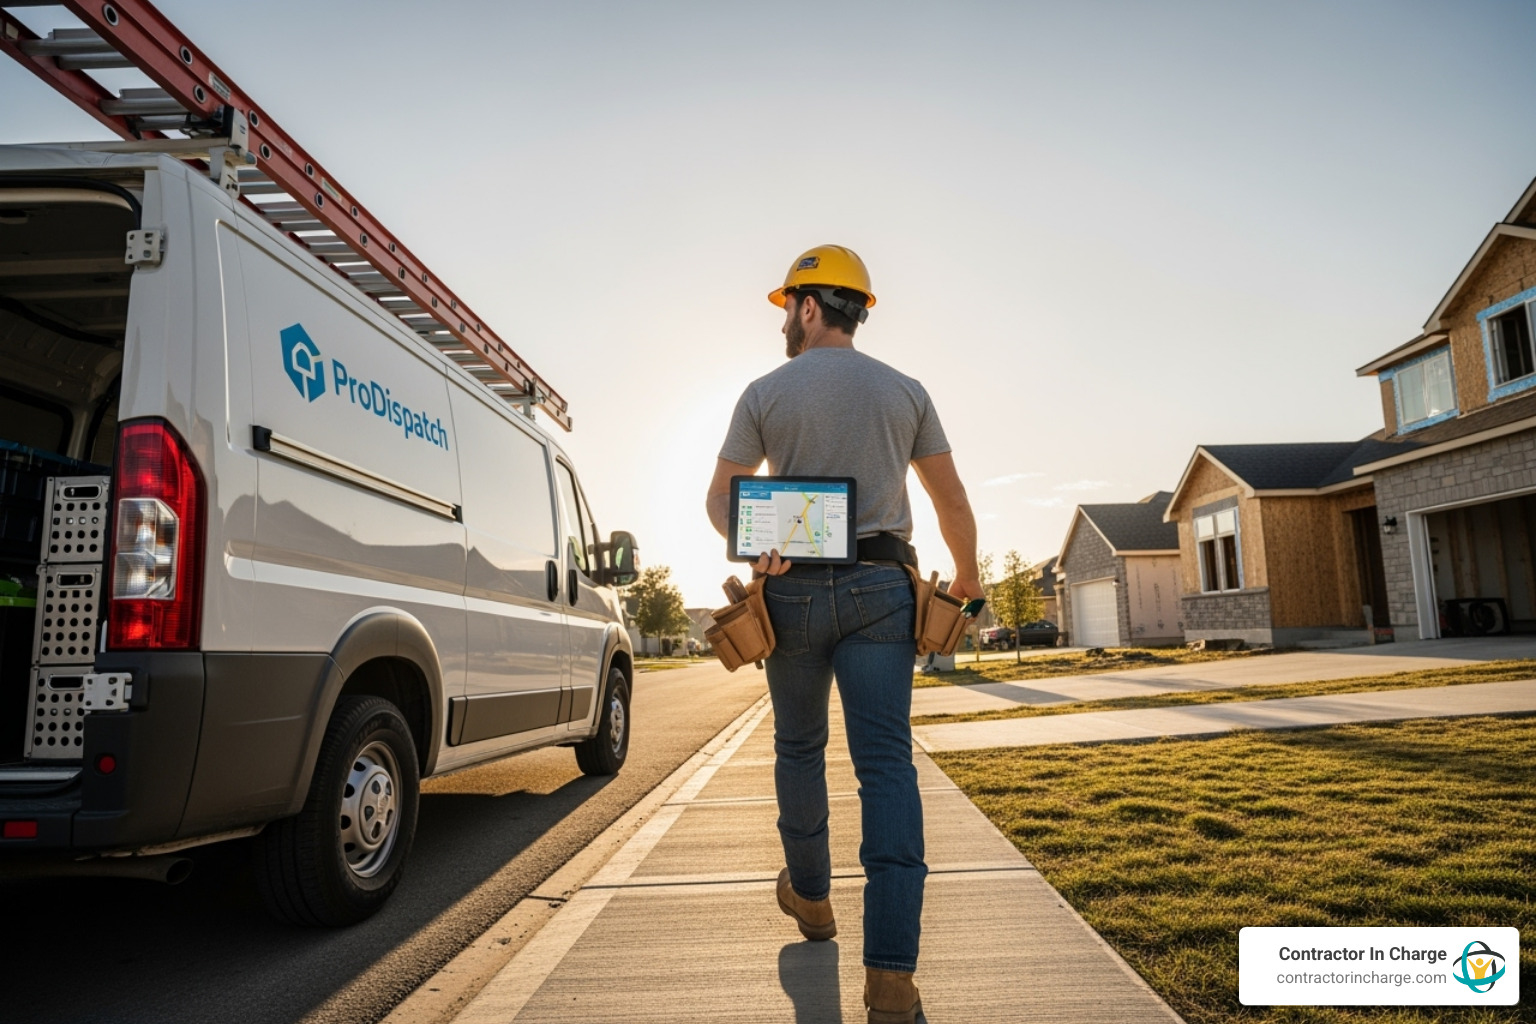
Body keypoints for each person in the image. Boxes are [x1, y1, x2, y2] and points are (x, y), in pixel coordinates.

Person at [705, 244, 982, 1024]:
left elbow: (720, 498)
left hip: (789, 596)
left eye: (787, 308)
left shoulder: (765, 390)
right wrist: (967, 580)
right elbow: (951, 498)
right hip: (882, 595)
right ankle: (890, 981)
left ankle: (815, 900)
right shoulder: (905, 390)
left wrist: (752, 540)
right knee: (886, 769)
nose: (784, 324)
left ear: (809, 306)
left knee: (798, 749)